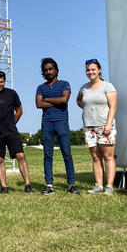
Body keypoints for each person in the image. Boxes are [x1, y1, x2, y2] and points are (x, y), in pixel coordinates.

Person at [0, 70, 33, 194]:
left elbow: (19, 110)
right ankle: (4, 187)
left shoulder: (12, 93)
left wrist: (11, 122)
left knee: (20, 156)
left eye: (1, 82)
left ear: (4, 81)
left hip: (11, 131)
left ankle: (27, 184)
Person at [35, 58, 79, 195]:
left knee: (67, 154)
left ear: (56, 70)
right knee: (48, 155)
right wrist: (57, 101)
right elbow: (38, 104)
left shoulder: (65, 84)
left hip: (61, 122)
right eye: (46, 70)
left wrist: (46, 99)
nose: (48, 71)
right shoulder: (41, 87)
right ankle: (49, 185)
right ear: (43, 72)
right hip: (47, 123)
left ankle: (71, 184)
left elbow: (64, 100)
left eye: (50, 69)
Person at [76, 59, 118, 196]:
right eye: (88, 70)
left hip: (105, 126)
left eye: (93, 69)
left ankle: (109, 187)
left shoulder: (107, 86)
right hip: (89, 127)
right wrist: (88, 109)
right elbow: (78, 100)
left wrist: (108, 124)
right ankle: (98, 185)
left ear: (99, 70)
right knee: (95, 156)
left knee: (108, 156)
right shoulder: (84, 88)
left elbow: (113, 106)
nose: (90, 72)